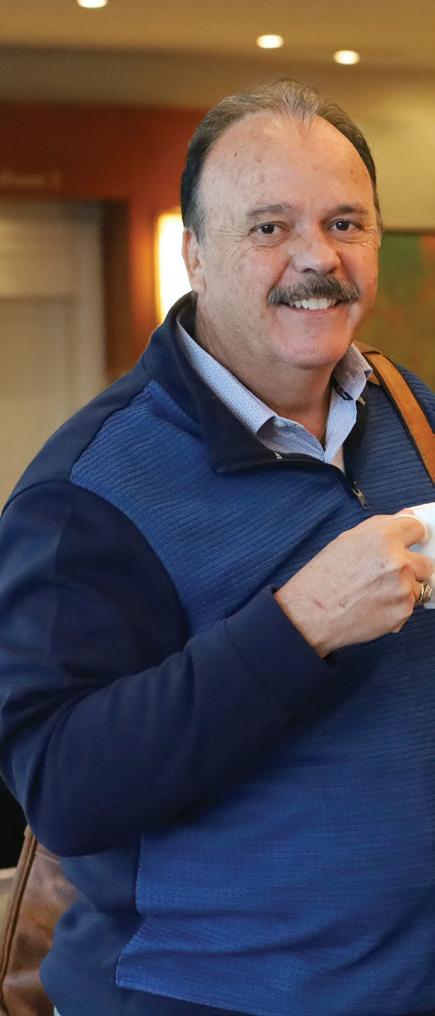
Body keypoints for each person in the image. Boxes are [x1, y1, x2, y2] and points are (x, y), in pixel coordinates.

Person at [0, 79, 434, 1016]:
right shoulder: (87, 490)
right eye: (269, 227)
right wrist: (299, 626)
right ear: (194, 253)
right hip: (204, 997)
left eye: (345, 223)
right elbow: (63, 788)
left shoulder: (413, 416)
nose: (317, 257)